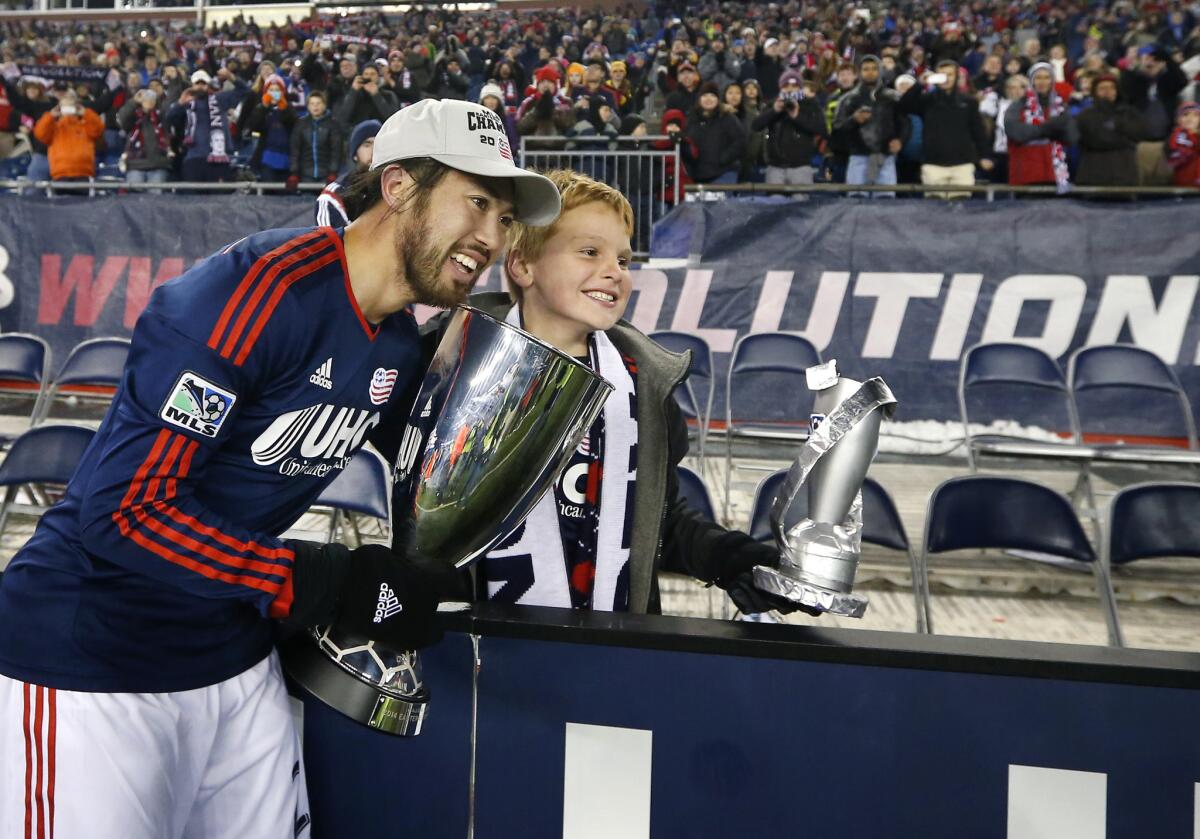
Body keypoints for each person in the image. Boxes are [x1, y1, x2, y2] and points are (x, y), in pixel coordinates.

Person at [0, 98, 562, 839]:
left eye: (505, 218)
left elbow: (445, 476)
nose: (490, 237)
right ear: (398, 186)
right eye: (477, 202)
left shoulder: (397, 340)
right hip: (92, 655)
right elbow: (121, 513)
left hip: (232, 654)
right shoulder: (253, 293)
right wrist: (314, 578)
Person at [414, 169, 802, 618]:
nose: (613, 273)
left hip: (613, 647)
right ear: (523, 265)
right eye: (589, 252)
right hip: (472, 653)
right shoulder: (447, 360)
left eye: (623, 260)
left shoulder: (647, 387)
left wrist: (730, 559)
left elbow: (655, 519)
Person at [898, 59, 993, 198]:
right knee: (935, 211)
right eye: (942, 74)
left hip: (962, 164)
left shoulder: (969, 102)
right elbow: (903, 106)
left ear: (956, 77)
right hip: (933, 164)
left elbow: (978, 131)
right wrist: (919, 84)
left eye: (950, 74)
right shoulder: (927, 100)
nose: (946, 79)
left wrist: (985, 156)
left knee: (961, 209)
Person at [833, 56, 907, 195]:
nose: (870, 72)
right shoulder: (848, 99)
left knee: (885, 202)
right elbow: (836, 129)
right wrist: (854, 119)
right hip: (858, 156)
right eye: (866, 69)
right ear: (859, 72)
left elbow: (904, 124)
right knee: (856, 201)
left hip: (885, 157)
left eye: (874, 69)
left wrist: (900, 140)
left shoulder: (893, 97)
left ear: (880, 71)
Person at [1004, 61, 1077, 192]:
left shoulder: (1061, 107)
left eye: (1046, 77)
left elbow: (1071, 137)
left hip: (1056, 175)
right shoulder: (1017, 106)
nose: (1042, 82)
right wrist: (1050, 128)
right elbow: (1017, 134)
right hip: (1026, 175)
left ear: (1052, 81)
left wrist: (1038, 131)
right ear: (1031, 81)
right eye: (1038, 77)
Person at [167, 69, 247, 183]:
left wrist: (231, 76)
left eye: (203, 83)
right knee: (193, 198)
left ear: (208, 85)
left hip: (218, 159)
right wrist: (180, 103)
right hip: (193, 158)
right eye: (197, 84)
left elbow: (245, 91)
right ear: (192, 85)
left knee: (218, 198)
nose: (200, 87)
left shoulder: (220, 99)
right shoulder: (186, 103)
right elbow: (169, 119)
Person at [753, 70, 826, 186]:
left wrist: (797, 116)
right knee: (774, 201)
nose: (790, 89)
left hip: (801, 167)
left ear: (800, 88)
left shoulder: (811, 105)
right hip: (775, 167)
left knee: (800, 201)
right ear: (780, 88)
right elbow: (756, 125)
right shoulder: (773, 104)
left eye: (794, 85)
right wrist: (774, 111)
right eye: (786, 85)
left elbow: (821, 129)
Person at [1075, 74, 1143, 187]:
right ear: (1095, 92)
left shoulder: (1130, 113)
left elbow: (1137, 135)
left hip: (1124, 174)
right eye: (1102, 88)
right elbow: (1092, 140)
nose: (1107, 91)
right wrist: (1121, 138)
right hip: (1092, 174)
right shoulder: (1085, 116)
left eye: (1112, 87)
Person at [315, 118, 379, 227]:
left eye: (379, 144)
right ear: (354, 154)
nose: (374, 150)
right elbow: (332, 241)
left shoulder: (399, 190)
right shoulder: (334, 195)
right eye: (367, 145)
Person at [33, 89, 104, 183]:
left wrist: (86, 113)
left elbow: (98, 129)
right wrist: (50, 115)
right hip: (59, 174)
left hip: (84, 174)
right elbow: (40, 133)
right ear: (60, 107)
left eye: (71, 104)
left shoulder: (85, 126)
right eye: (65, 104)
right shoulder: (54, 127)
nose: (68, 107)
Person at [684, 81, 746, 184]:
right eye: (705, 95)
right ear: (699, 99)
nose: (708, 99)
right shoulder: (692, 120)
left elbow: (740, 140)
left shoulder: (728, 117)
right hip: (698, 175)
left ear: (718, 99)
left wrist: (723, 158)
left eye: (712, 95)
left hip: (724, 172)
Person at [289, 90, 345, 192]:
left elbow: (336, 151)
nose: (315, 106)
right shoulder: (301, 124)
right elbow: (295, 150)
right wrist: (294, 173)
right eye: (312, 103)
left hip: (326, 175)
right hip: (305, 175)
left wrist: (333, 172)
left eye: (318, 103)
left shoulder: (333, 125)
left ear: (324, 105)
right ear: (308, 106)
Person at [117, 87, 172, 188]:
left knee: (156, 200)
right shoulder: (133, 117)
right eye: (146, 99)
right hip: (136, 165)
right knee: (135, 198)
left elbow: (170, 107)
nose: (149, 102)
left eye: (152, 99)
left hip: (158, 164)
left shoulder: (161, 115)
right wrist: (134, 101)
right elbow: (122, 118)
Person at [1167, 103, 1200, 188]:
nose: (1190, 119)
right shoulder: (1180, 134)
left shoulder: (1195, 135)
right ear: (1178, 120)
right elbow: (1177, 157)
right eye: (1185, 115)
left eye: (1195, 115)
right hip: (1186, 181)